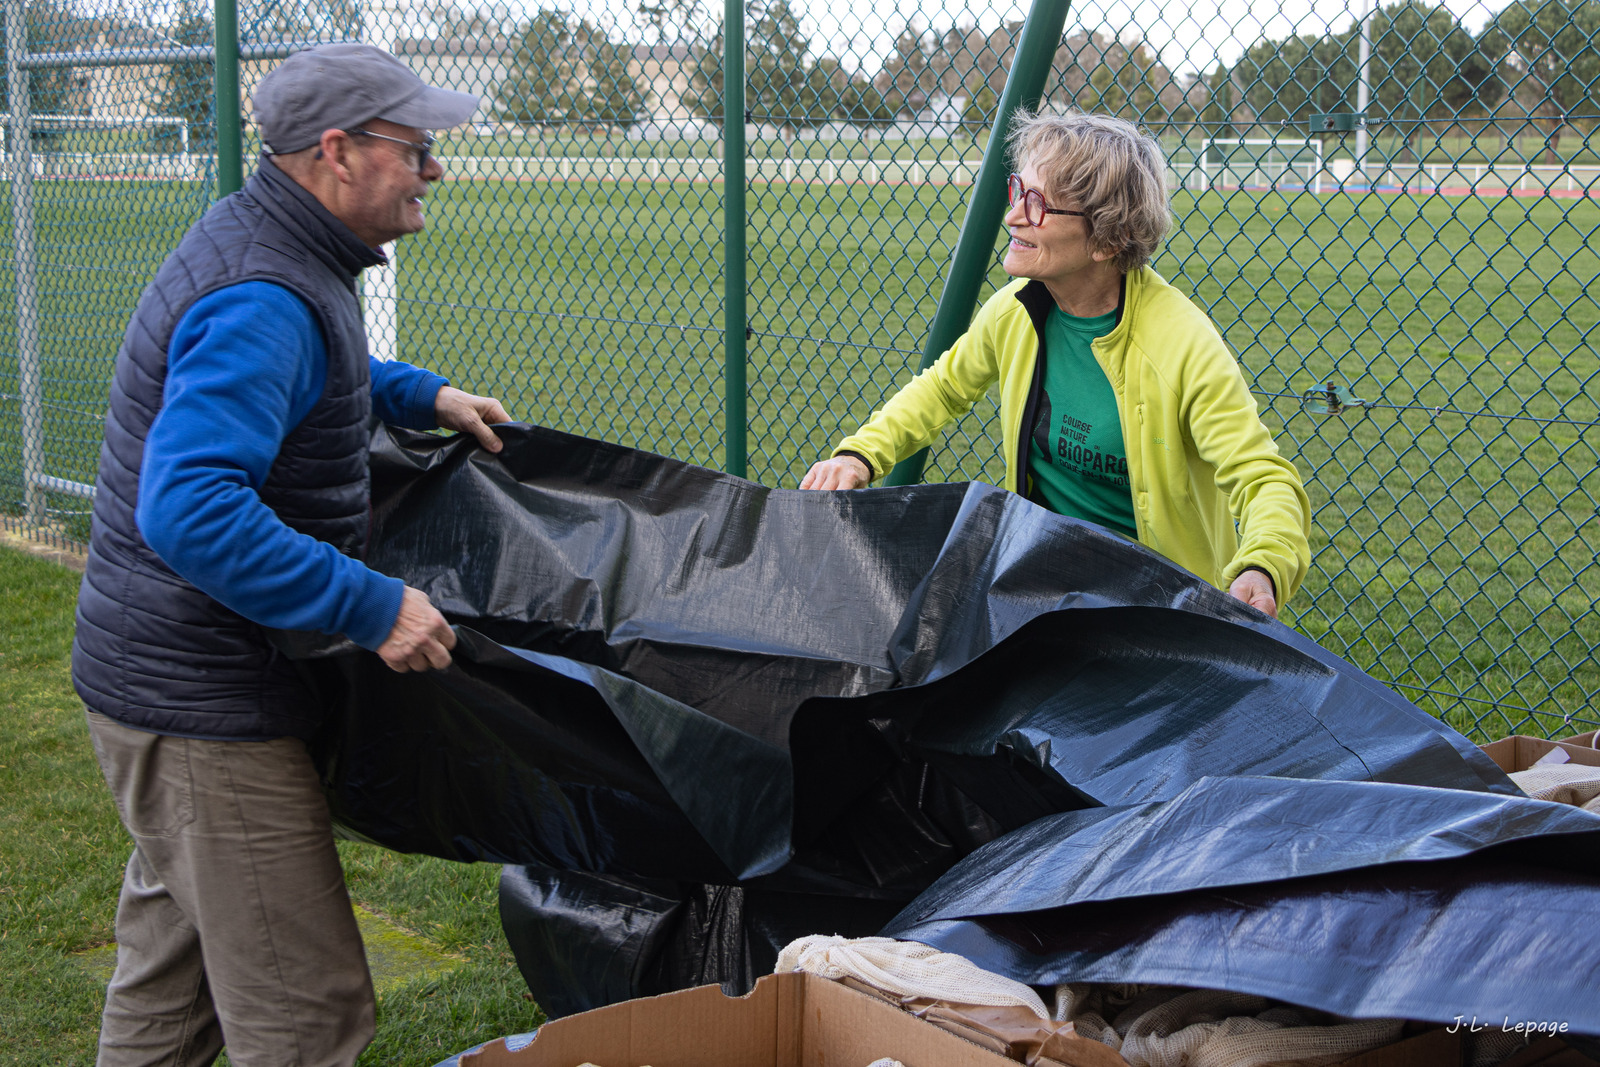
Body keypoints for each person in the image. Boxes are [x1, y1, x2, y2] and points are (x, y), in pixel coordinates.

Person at [71, 43, 511, 1065]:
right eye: (416, 146)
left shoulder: (278, 252)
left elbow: (316, 364)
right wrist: (371, 604)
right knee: (305, 1013)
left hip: (166, 683)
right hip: (203, 704)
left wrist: (422, 393)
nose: (435, 168)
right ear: (338, 151)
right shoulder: (263, 291)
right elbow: (189, 509)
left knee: (171, 990)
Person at [801, 109, 1310, 617]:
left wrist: (1262, 566)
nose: (1013, 216)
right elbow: (942, 389)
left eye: (1038, 204)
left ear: (1108, 239)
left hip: (1157, 607)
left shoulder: (1183, 344)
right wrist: (860, 455)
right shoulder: (1015, 309)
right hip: (1041, 583)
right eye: (1018, 191)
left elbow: (1262, 478)